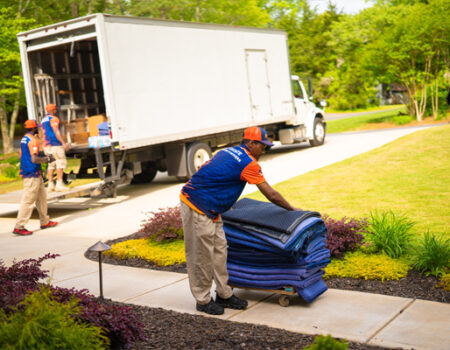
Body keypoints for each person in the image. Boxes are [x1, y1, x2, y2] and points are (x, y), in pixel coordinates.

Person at [180, 126, 298, 315]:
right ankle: (202, 300)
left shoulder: (227, 151)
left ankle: (224, 294)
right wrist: (292, 210)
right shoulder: (248, 163)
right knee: (201, 256)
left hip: (213, 208)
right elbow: (271, 194)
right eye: (262, 146)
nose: (264, 150)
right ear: (251, 143)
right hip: (197, 205)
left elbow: (207, 169)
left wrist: (222, 199)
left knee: (220, 251)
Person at [13, 120, 58, 236]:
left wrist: (42, 154)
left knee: (42, 198)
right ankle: (19, 226)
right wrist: (47, 159)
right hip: (31, 174)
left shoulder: (24, 139)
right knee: (28, 200)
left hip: (34, 173)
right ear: (35, 129)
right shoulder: (33, 140)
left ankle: (45, 221)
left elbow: (21, 155)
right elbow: (34, 159)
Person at [41, 103, 70, 192]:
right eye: (55, 109)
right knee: (60, 162)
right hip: (55, 144)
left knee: (51, 164)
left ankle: (50, 185)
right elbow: (56, 131)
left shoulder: (43, 120)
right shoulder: (54, 119)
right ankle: (59, 184)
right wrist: (63, 143)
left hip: (46, 145)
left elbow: (42, 133)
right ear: (53, 110)